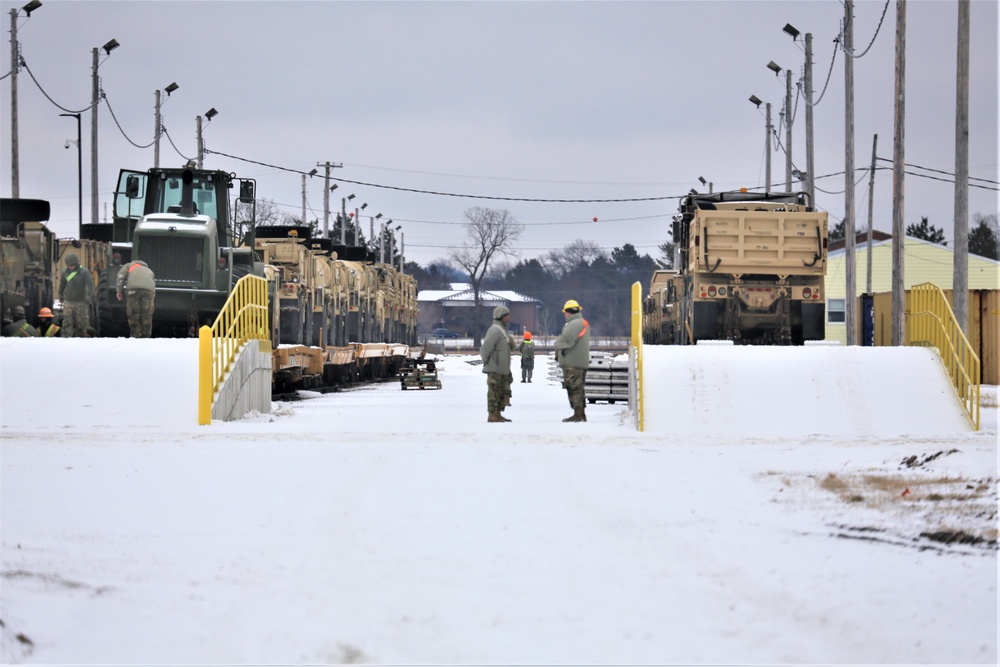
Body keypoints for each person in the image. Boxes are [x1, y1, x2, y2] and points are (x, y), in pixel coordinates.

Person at [554, 299, 590, 422]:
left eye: (565, 312)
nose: (564, 315)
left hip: (573, 363)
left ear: (569, 312)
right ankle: (580, 414)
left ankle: (578, 414)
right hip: (578, 361)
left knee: (574, 388)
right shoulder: (581, 322)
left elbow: (566, 340)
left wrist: (557, 344)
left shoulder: (574, 324)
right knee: (578, 388)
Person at [480, 305, 515, 423]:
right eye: (506, 316)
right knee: (494, 392)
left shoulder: (502, 331)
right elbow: (485, 349)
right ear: (500, 316)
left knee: (500, 392)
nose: (509, 318)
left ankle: (498, 414)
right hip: (495, 369)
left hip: (502, 369)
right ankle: (493, 415)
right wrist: (489, 363)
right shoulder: (495, 330)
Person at [116, 260, 157, 338]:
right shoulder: (149, 270)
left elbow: (120, 276)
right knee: (147, 313)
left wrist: (119, 291)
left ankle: (135, 335)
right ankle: (146, 335)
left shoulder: (129, 265)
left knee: (133, 313)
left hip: (133, 289)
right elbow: (153, 284)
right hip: (148, 291)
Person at [59, 252, 94, 338]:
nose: (70, 267)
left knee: (82, 323)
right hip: (68, 300)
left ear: (76, 264)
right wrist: (60, 295)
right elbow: (62, 284)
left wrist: (89, 296)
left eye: (72, 265)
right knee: (67, 322)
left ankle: (81, 338)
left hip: (81, 301)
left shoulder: (84, 272)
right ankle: (66, 339)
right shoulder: (65, 272)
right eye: (69, 265)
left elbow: (91, 284)